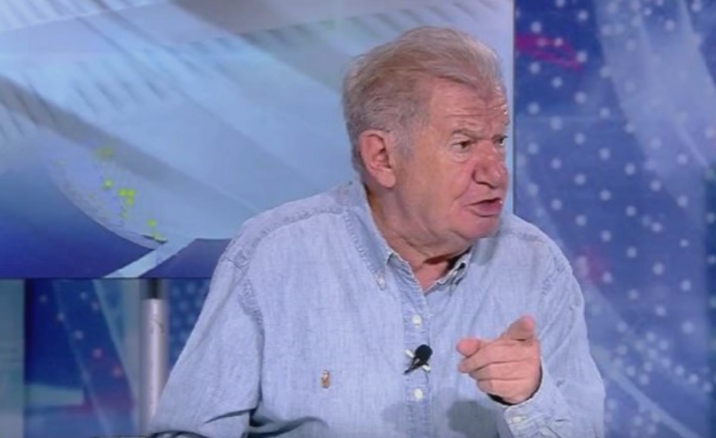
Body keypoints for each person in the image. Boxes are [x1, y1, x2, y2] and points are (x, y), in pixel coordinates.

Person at [148, 26, 605, 438]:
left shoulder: (535, 265)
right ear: (382, 158)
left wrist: (531, 396)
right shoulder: (275, 256)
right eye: (464, 144)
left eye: (499, 141)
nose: (495, 173)